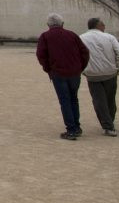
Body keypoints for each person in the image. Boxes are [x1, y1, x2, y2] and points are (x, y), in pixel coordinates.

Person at [36, 12, 90, 140]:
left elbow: (41, 55)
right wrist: (80, 67)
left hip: (58, 73)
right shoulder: (71, 34)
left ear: (48, 25)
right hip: (74, 72)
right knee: (74, 99)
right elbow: (85, 52)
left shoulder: (45, 36)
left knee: (65, 101)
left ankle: (71, 129)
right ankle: (76, 127)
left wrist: (48, 69)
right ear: (63, 24)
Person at [80, 18, 119, 136]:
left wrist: (83, 70)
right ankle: (109, 122)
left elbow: (76, 55)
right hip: (110, 73)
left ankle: (107, 125)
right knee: (110, 99)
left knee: (99, 100)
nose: (104, 26)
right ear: (99, 26)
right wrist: (118, 68)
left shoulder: (81, 38)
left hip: (92, 74)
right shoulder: (109, 37)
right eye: (103, 24)